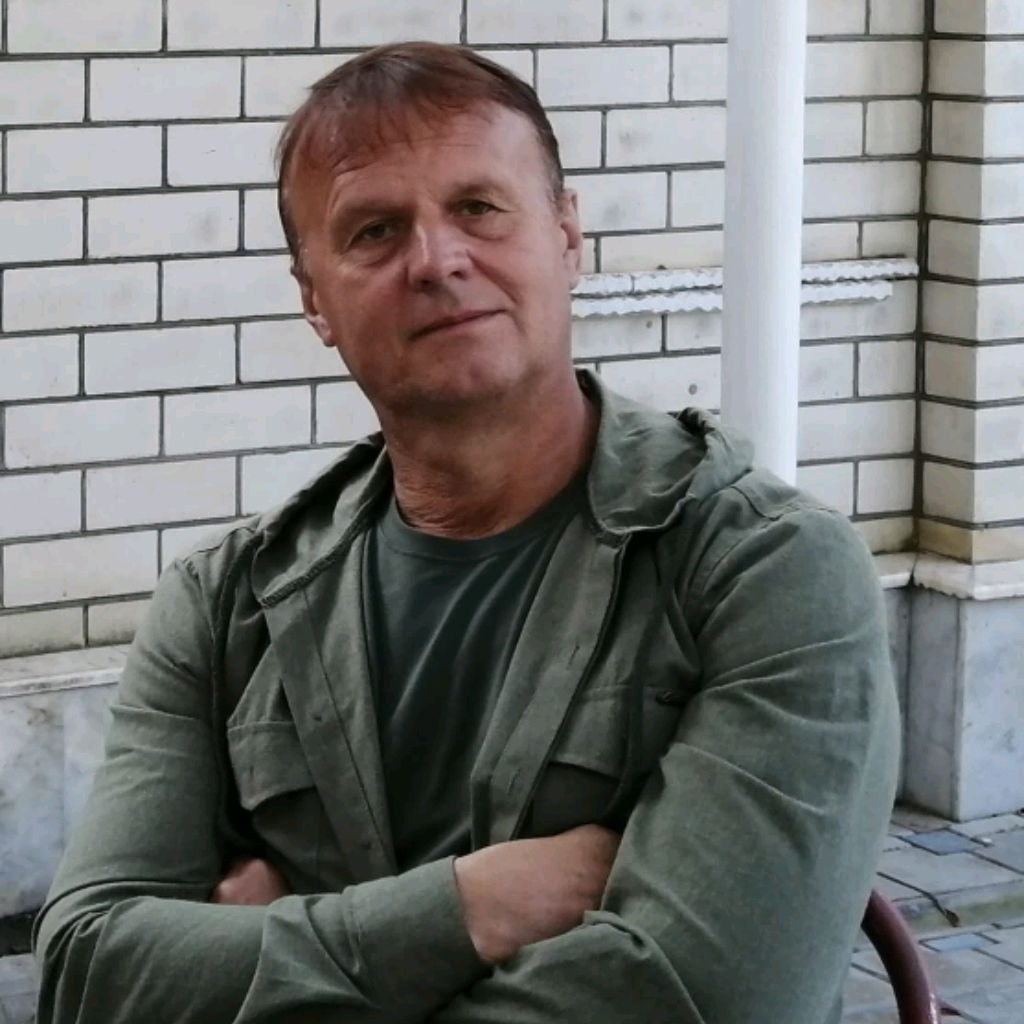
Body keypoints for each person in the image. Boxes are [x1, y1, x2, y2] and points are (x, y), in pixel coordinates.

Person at [33, 42, 900, 1024]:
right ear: (314, 299)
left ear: (567, 236)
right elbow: (89, 968)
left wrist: (272, 956)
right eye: (373, 231)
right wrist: (467, 908)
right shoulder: (224, 605)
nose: (437, 260)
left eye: (479, 208)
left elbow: (705, 998)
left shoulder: (763, 571)